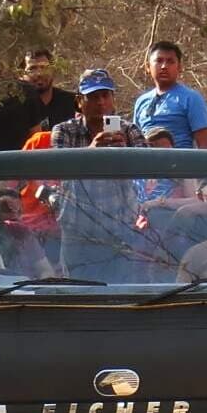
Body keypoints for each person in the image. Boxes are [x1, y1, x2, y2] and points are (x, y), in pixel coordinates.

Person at [51, 69, 147, 282]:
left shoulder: (129, 130)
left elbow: (144, 175)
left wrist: (127, 156)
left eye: (105, 95)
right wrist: (91, 153)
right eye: (93, 97)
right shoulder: (64, 131)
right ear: (79, 102)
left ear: (113, 99)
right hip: (78, 229)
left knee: (123, 290)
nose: (100, 102)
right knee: (78, 293)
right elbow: (59, 169)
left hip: (120, 227)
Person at [131, 41, 207, 149]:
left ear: (179, 67)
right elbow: (135, 141)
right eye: (159, 61)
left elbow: (205, 146)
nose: (164, 66)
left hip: (180, 163)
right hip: (146, 163)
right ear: (148, 67)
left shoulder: (191, 98)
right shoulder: (141, 101)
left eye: (170, 61)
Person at [0, 189, 54, 278]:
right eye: (6, 208)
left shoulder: (23, 233)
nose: (14, 215)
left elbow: (46, 271)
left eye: (19, 210)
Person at [24, 50, 78, 131]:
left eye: (44, 68)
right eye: (32, 69)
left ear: (53, 71)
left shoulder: (72, 102)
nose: (39, 74)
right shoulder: (15, 107)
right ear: (21, 74)